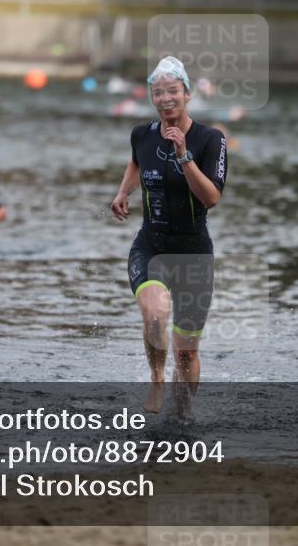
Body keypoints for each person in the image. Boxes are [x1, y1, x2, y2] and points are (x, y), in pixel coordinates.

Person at [110, 56, 228, 415]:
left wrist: (184, 157)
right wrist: (122, 192)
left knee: (187, 351)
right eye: (157, 92)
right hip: (151, 246)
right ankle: (157, 380)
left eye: (172, 91)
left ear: (187, 95)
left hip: (194, 252)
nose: (165, 98)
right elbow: (136, 161)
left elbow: (212, 198)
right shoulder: (141, 134)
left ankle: (184, 413)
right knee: (156, 312)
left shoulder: (211, 139)